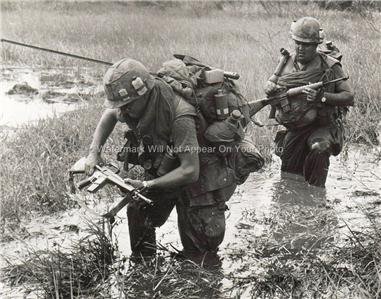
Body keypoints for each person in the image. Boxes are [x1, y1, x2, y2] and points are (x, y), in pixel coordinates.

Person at [84, 58, 237, 265]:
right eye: (121, 106)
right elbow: (110, 114)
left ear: (145, 94)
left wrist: (148, 184)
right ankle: (144, 268)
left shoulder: (180, 114)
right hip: (169, 162)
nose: (122, 112)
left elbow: (190, 170)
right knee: (139, 208)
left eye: (126, 106)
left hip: (200, 171)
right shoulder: (134, 103)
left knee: (199, 253)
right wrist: (94, 153)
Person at [264, 17, 354, 187]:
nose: (300, 48)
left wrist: (322, 97)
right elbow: (272, 89)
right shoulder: (285, 63)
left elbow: (349, 97)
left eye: (306, 44)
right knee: (289, 178)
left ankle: (318, 201)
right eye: (297, 43)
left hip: (323, 125)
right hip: (296, 126)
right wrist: (270, 90)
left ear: (316, 45)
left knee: (319, 148)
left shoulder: (330, 66)